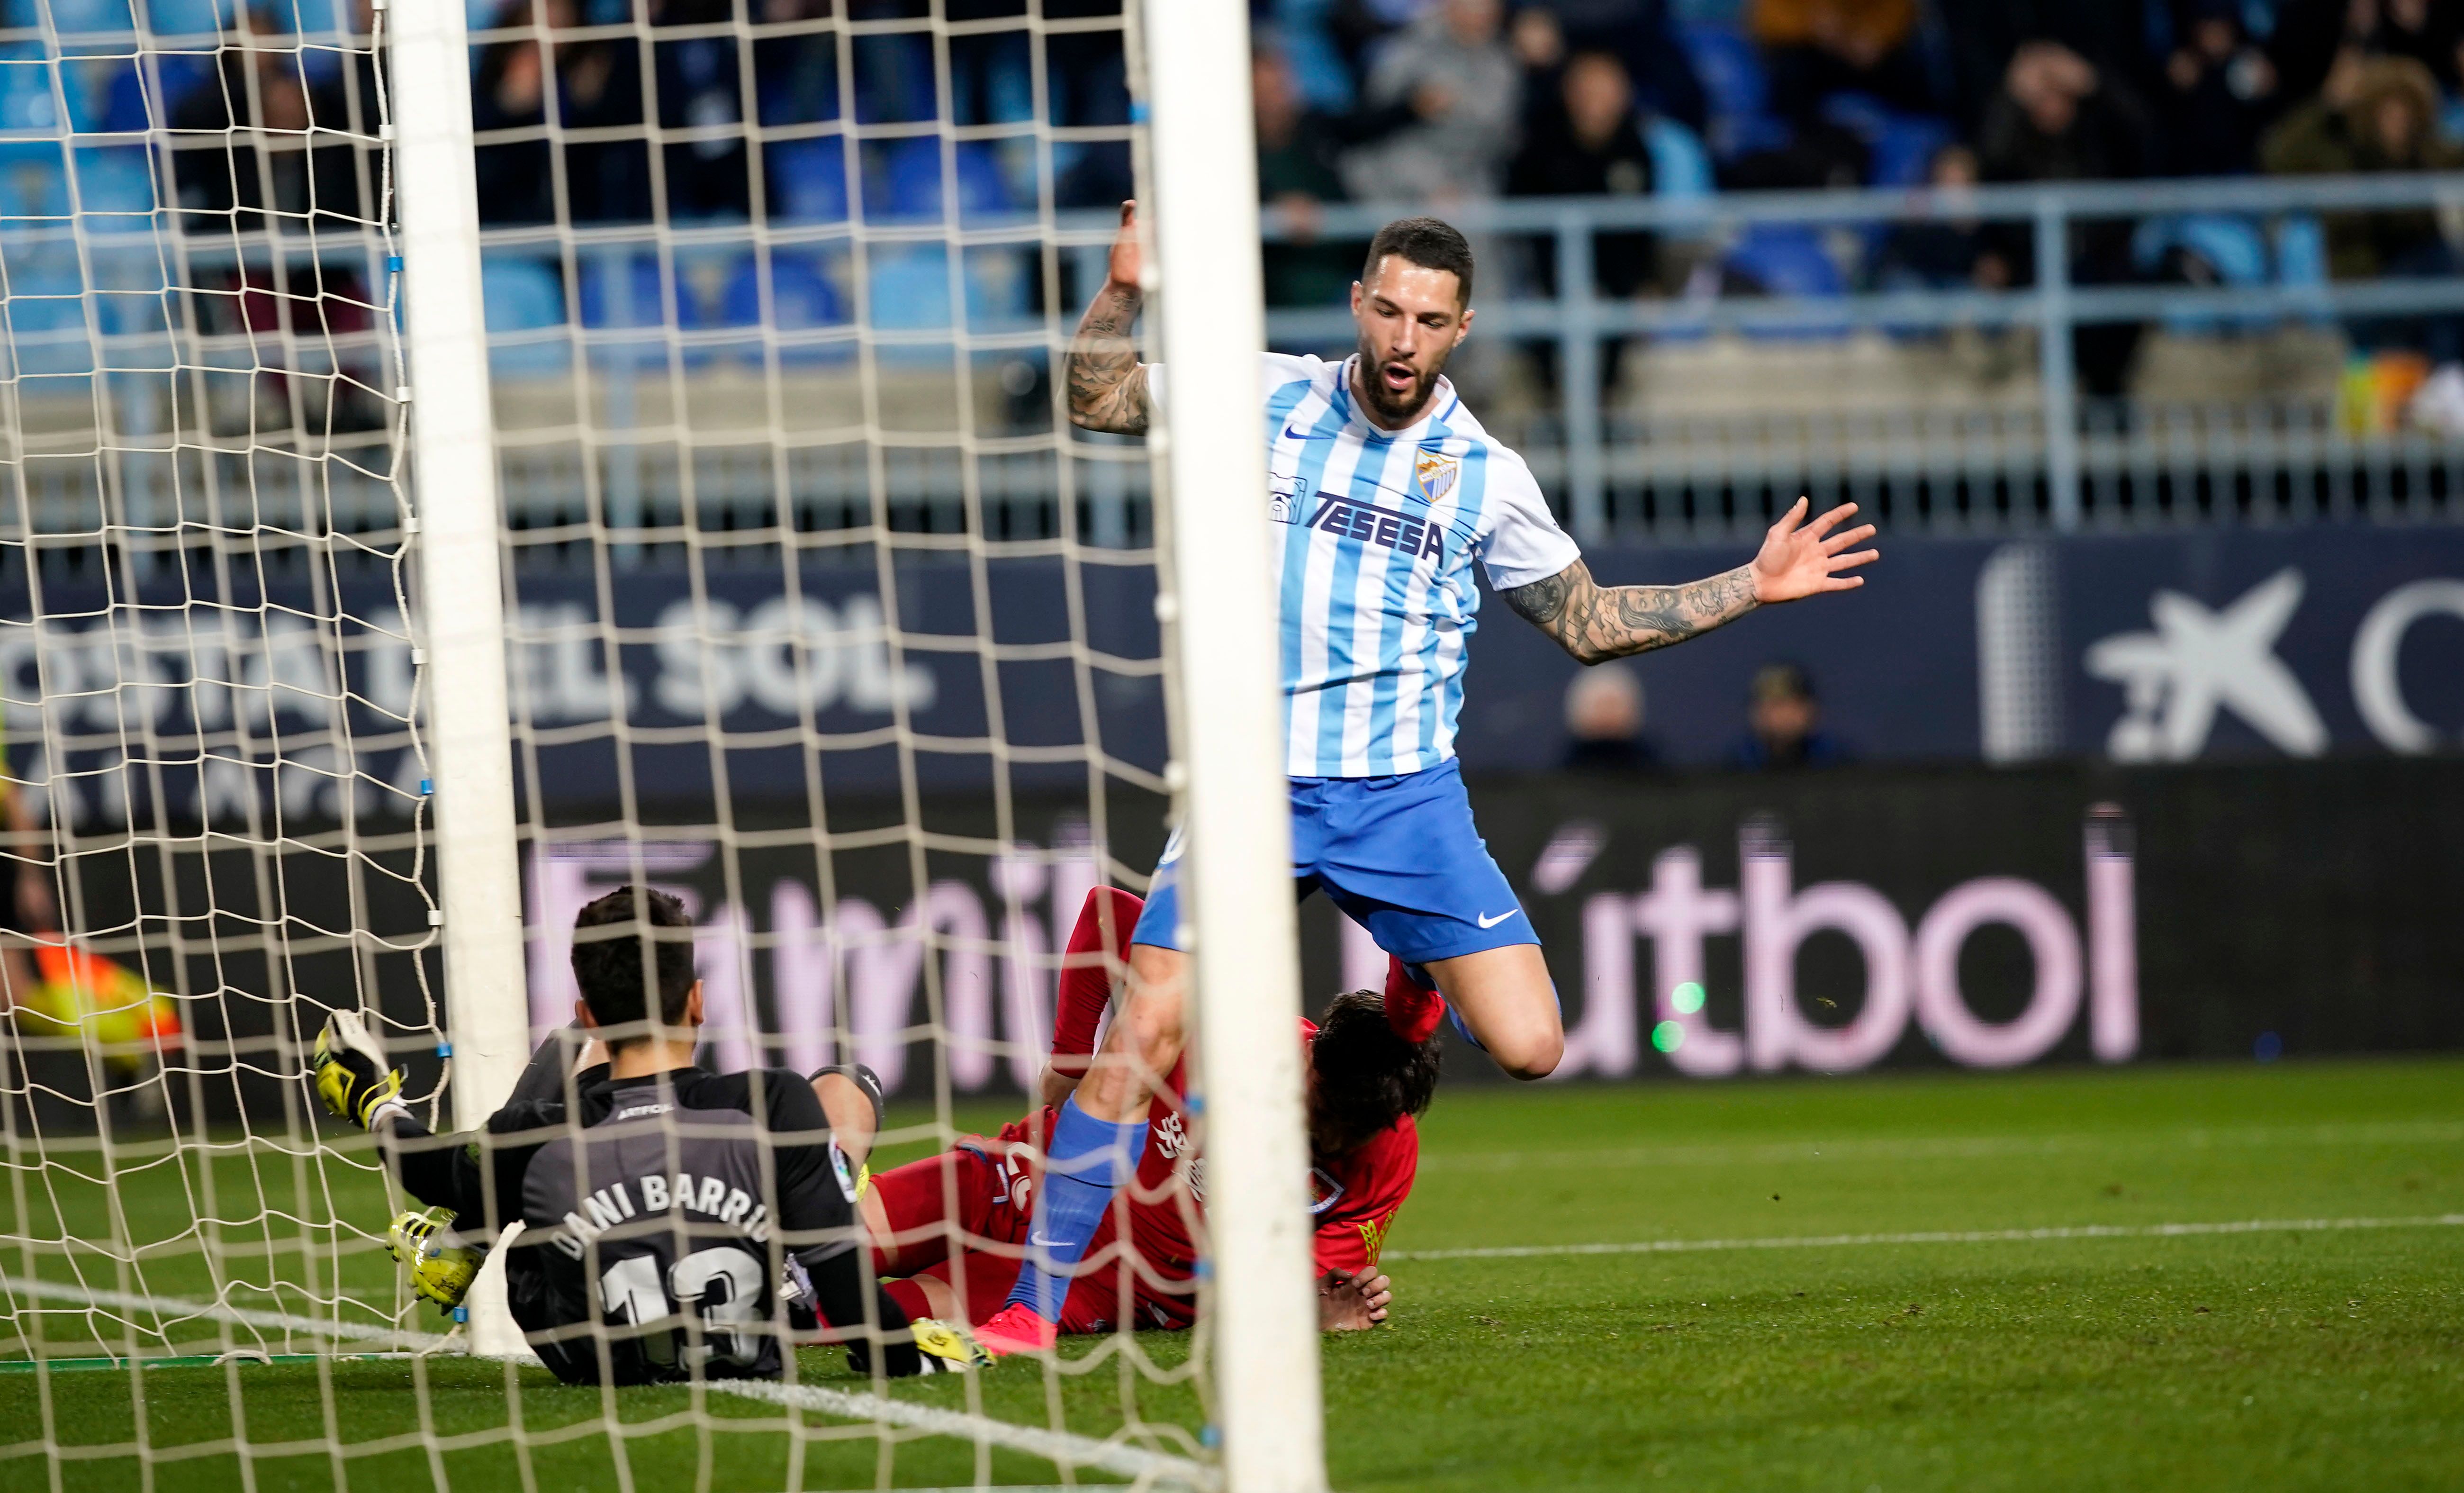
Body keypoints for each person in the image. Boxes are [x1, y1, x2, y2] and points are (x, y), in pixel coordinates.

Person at [989, 203, 1877, 1357]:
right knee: (1142, 1029)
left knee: (1532, 1044)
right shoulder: (1262, 393)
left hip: (1403, 799)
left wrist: (1748, 587)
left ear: (1462, 329)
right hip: (1251, 790)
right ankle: (1028, 1311)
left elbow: (1590, 622)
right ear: (1362, 304)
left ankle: (1408, 942)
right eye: (1392, 310)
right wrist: (1123, 293)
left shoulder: (1485, 476)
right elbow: (1097, 401)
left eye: (1433, 321)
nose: (1406, 338)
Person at [309, 887, 985, 1383]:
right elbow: (848, 1284)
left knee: (543, 1131)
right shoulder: (772, 1101)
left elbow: (422, 1167)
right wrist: (901, 1351)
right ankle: (772, 1259)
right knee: (847, 1085)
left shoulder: (541, 1127)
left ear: (589, 1013)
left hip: (590, 1355)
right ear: (697, 999)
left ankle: (467, 1235)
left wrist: (377, 1101)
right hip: (759, 1319)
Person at [860, 887, 1437, 1336]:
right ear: (1310, 1059)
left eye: (1357, 1131)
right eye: (1325, 1110)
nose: (1335, 1140)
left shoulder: (1384, 1157)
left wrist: (1317, 1311)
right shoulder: (1233, 1023)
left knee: (835, 1316)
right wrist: (1067, 1060)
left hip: (1102, 1280)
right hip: (1017, 1173)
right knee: (823, 1244)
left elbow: (1295, 1284)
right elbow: (1104, 916)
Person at [1506, 49, 1658, 394]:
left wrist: (1645, 281)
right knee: (1541, 314)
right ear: (1570, 92)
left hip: (1614, 273)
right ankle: (1552, 405)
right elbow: (1520, 218)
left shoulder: (1635, 146)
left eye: (1607, 90)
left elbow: (1642, 228)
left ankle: (1605, 406)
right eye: (1588, 90)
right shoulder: (1540, 143)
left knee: (1619, 312)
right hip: (1548, 270)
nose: (1597, 101)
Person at [1342, 0, 1523, 201]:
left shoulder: (1503, 62)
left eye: (1489, 9)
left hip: (1474, 178)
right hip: (1401, 172)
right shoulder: (1409, 48)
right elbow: (1372, 120)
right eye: (1473, 7)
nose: (1481, 15)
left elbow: (1502, 137)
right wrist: (1415, 105)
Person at [1732, 661, 1847, 769]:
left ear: (1810, 709)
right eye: (1774, 706)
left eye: (1792, 705)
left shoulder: (1838, 764)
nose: (1784, 715)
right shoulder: (1736, 768)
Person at [1560, 662, 1659, 772]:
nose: (1607, 714)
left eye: (1613, 704)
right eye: (1599, 706)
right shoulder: (1566, 773)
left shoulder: (1650, 772)